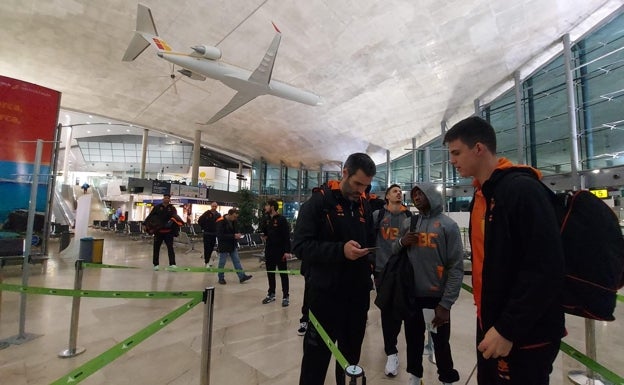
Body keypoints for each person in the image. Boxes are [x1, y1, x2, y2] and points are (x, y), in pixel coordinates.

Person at [443, 116, 565, 385]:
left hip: (522, 331)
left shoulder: (522, 190)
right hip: (491, 320)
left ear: (478, 148)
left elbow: (546, 267)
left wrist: (509, 328)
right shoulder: (483, 195)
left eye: (456, 152)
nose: (452, 160)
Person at [293, 152, 377, 385]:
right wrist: (340, 251)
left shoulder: (364, 206)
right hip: (324, 297)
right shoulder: (318, 204)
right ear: (345, 173)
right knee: (316, 359)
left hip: (357, 297)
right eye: (358, 183)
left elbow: (370, 240)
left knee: (350, 358)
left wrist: (371, 260)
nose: (361, 191)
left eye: (366, 186)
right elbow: (300, 246)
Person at [392, 183, 463, 385]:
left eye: (420, 193)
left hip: (437, 298)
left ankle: (446, 378)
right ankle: (415, 376)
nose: (416, 197)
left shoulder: (448, 226)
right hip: (411, 295)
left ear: (431, 195)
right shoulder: (409, 223)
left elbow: (456, 267)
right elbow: (393, 249)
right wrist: (402, 242)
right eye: (414, 194)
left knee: (441, 342)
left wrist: (446, 303)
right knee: (413, 341)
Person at [372, 184, 412, 377]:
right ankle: (391, 351)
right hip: (382, 271)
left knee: (403, 309)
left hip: (403, 271)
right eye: (394, 191)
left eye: (400, 191)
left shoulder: (409, 217)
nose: (398, 193)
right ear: (387, 196)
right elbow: (369, 240)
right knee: (388, 311)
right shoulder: (378, 216)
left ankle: (394, 345)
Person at [260, 199, 292, 306]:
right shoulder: (266, 219)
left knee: (283, 274)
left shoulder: (282, 220)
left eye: (267, 205)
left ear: (272, 207)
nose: (265, 207)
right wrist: (264, 235)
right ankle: (271, 294)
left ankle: (286, 296)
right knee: (271, 273)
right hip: (269, 250)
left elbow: (286, 236)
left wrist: (287, 251)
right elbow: (265, 232)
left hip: (280, 251)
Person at [144, 194, 183, 271]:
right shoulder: (157, 207)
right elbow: (150, 216)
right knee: (156, 248)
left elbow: (175, 217)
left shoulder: (172, 208)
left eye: (168, 198)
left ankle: (172, 264)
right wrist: (144, 224)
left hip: (168, 232)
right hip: (158, 231)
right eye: (165, 198)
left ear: (169, 199)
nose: (166, 199)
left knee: (170, 248)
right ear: (163, 199)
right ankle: (156, 264)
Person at [215, 208, 252, 284]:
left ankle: (242, 276)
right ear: (229, 214)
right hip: (224, 245)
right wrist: (233, 236)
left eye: (236, 217)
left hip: (232, 244)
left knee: (237, 261)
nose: (235, 218)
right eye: (234, 216)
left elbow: (235, 231)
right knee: (222, 263)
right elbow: (220, 235)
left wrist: (238, 234)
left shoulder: (234, 221)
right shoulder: (220, 221)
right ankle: (221, 278)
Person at [197, 202, 221, 268]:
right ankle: (206, 261)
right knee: (206, 248)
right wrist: (204, 227)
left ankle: (208, 260)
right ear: (211, 206)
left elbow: (220, 223)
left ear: (217, 207)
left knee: (211, 248)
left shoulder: (218, 215)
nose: (214, 207)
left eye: (215, 206)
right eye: (213, 206)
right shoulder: (207, 213)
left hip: (214, 234)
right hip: (207, 233)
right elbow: (200, 221)